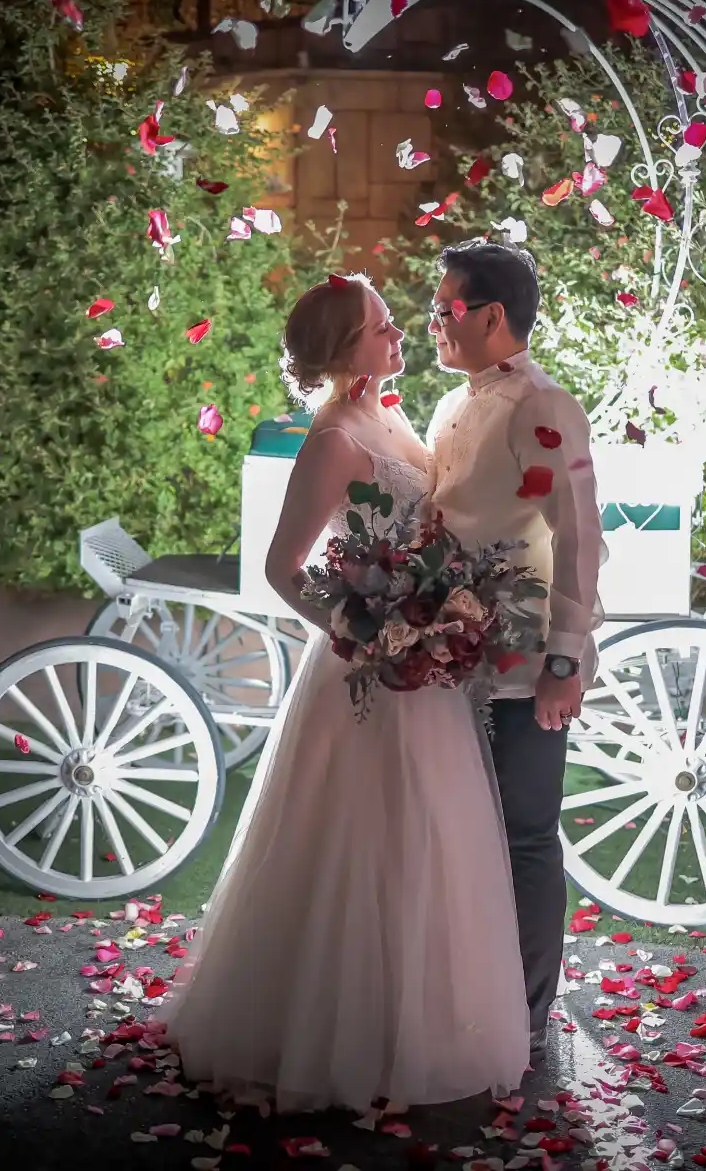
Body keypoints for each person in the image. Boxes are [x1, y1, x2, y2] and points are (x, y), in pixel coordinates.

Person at [157, 274, 530, 1114]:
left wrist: (441, 611)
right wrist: (365, 625)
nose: (399, 336)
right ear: (341, 351)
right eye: (381, 329)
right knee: (360, 846)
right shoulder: (330, 441)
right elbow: (282, 569)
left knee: (436, 839)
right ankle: (333, 1033)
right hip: (365, 668)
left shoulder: (392, 414)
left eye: (396, 325)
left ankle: (429, 1023)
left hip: (425, 668)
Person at [425, 238, 605, 1069]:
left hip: (522, 661)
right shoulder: (455, 402)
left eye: (446, 308)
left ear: (494, 316)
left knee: (527, 835)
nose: (434, 322)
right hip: (445, 656)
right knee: (455, 835)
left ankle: (528, 1019)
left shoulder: (544, 404)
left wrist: (565, 659)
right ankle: (459, 1002)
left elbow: (580, 536)